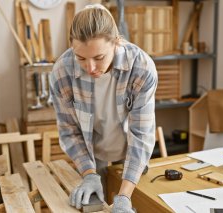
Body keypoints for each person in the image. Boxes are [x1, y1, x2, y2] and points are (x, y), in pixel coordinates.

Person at [50, 4, 157, 212]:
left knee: (131, 204)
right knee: (93, 205)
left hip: (129, 151)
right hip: (92, 151)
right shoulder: (61, 73)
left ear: (117, 42)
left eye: (99, 58)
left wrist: (124, 196)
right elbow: (69, 131)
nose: (90, 68)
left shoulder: (141, 68)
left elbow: (141, 135)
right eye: (80, 58)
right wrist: (89, 174)